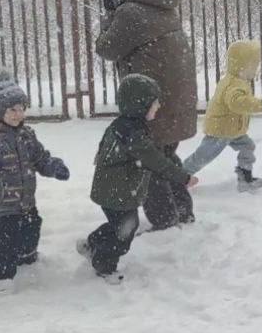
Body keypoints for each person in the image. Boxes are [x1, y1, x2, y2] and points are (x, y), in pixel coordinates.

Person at [94, 0, 198, 229]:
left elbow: (106, 48)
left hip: (152, 100)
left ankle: (165, 221)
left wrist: (109, 16)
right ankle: (183, 213)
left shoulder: (131, 12)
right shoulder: (160, 3)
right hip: (174, 95)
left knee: (149, 162)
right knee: (165, 155)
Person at [77, 74, 199, 282]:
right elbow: (157, 161)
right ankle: (104, 264)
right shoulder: (133, 134)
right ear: (140, 106)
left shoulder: (123, 125)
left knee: (119, 225)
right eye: (154, 103)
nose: (158, 106)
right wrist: (183, 178)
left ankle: (92, 243)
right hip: (118, 192)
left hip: (113, 189)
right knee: (125, 230)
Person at [0, 70, 70, 293]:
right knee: (6, 243)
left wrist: (54, 166)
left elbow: (40, 158)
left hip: (25, 202)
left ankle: (26, 257)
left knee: (32, 229)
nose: (19, 114)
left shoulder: (25, 135)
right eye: (12, 110)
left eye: (22, 109)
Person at [183, 39, 262, 191]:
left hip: (233, 129)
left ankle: (245, 177)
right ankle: (178, 177)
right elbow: (237, 103)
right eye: (253, 66)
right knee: (203, 156)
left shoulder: (239, 80)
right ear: (241, 67)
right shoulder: (233, 84)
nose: (255, 69)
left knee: (247, 146)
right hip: (221, 130)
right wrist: (259, 104)